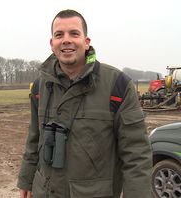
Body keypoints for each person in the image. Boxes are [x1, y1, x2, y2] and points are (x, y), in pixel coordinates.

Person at [17, 9, 152, 198]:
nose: (66, 40)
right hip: (44, 191)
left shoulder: (118, 86)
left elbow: (137, 154)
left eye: (74, 33)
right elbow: (34, 138)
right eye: (59, 35)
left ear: (86, 42)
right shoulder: (40, 87)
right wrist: (27, 179)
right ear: (52, 43)